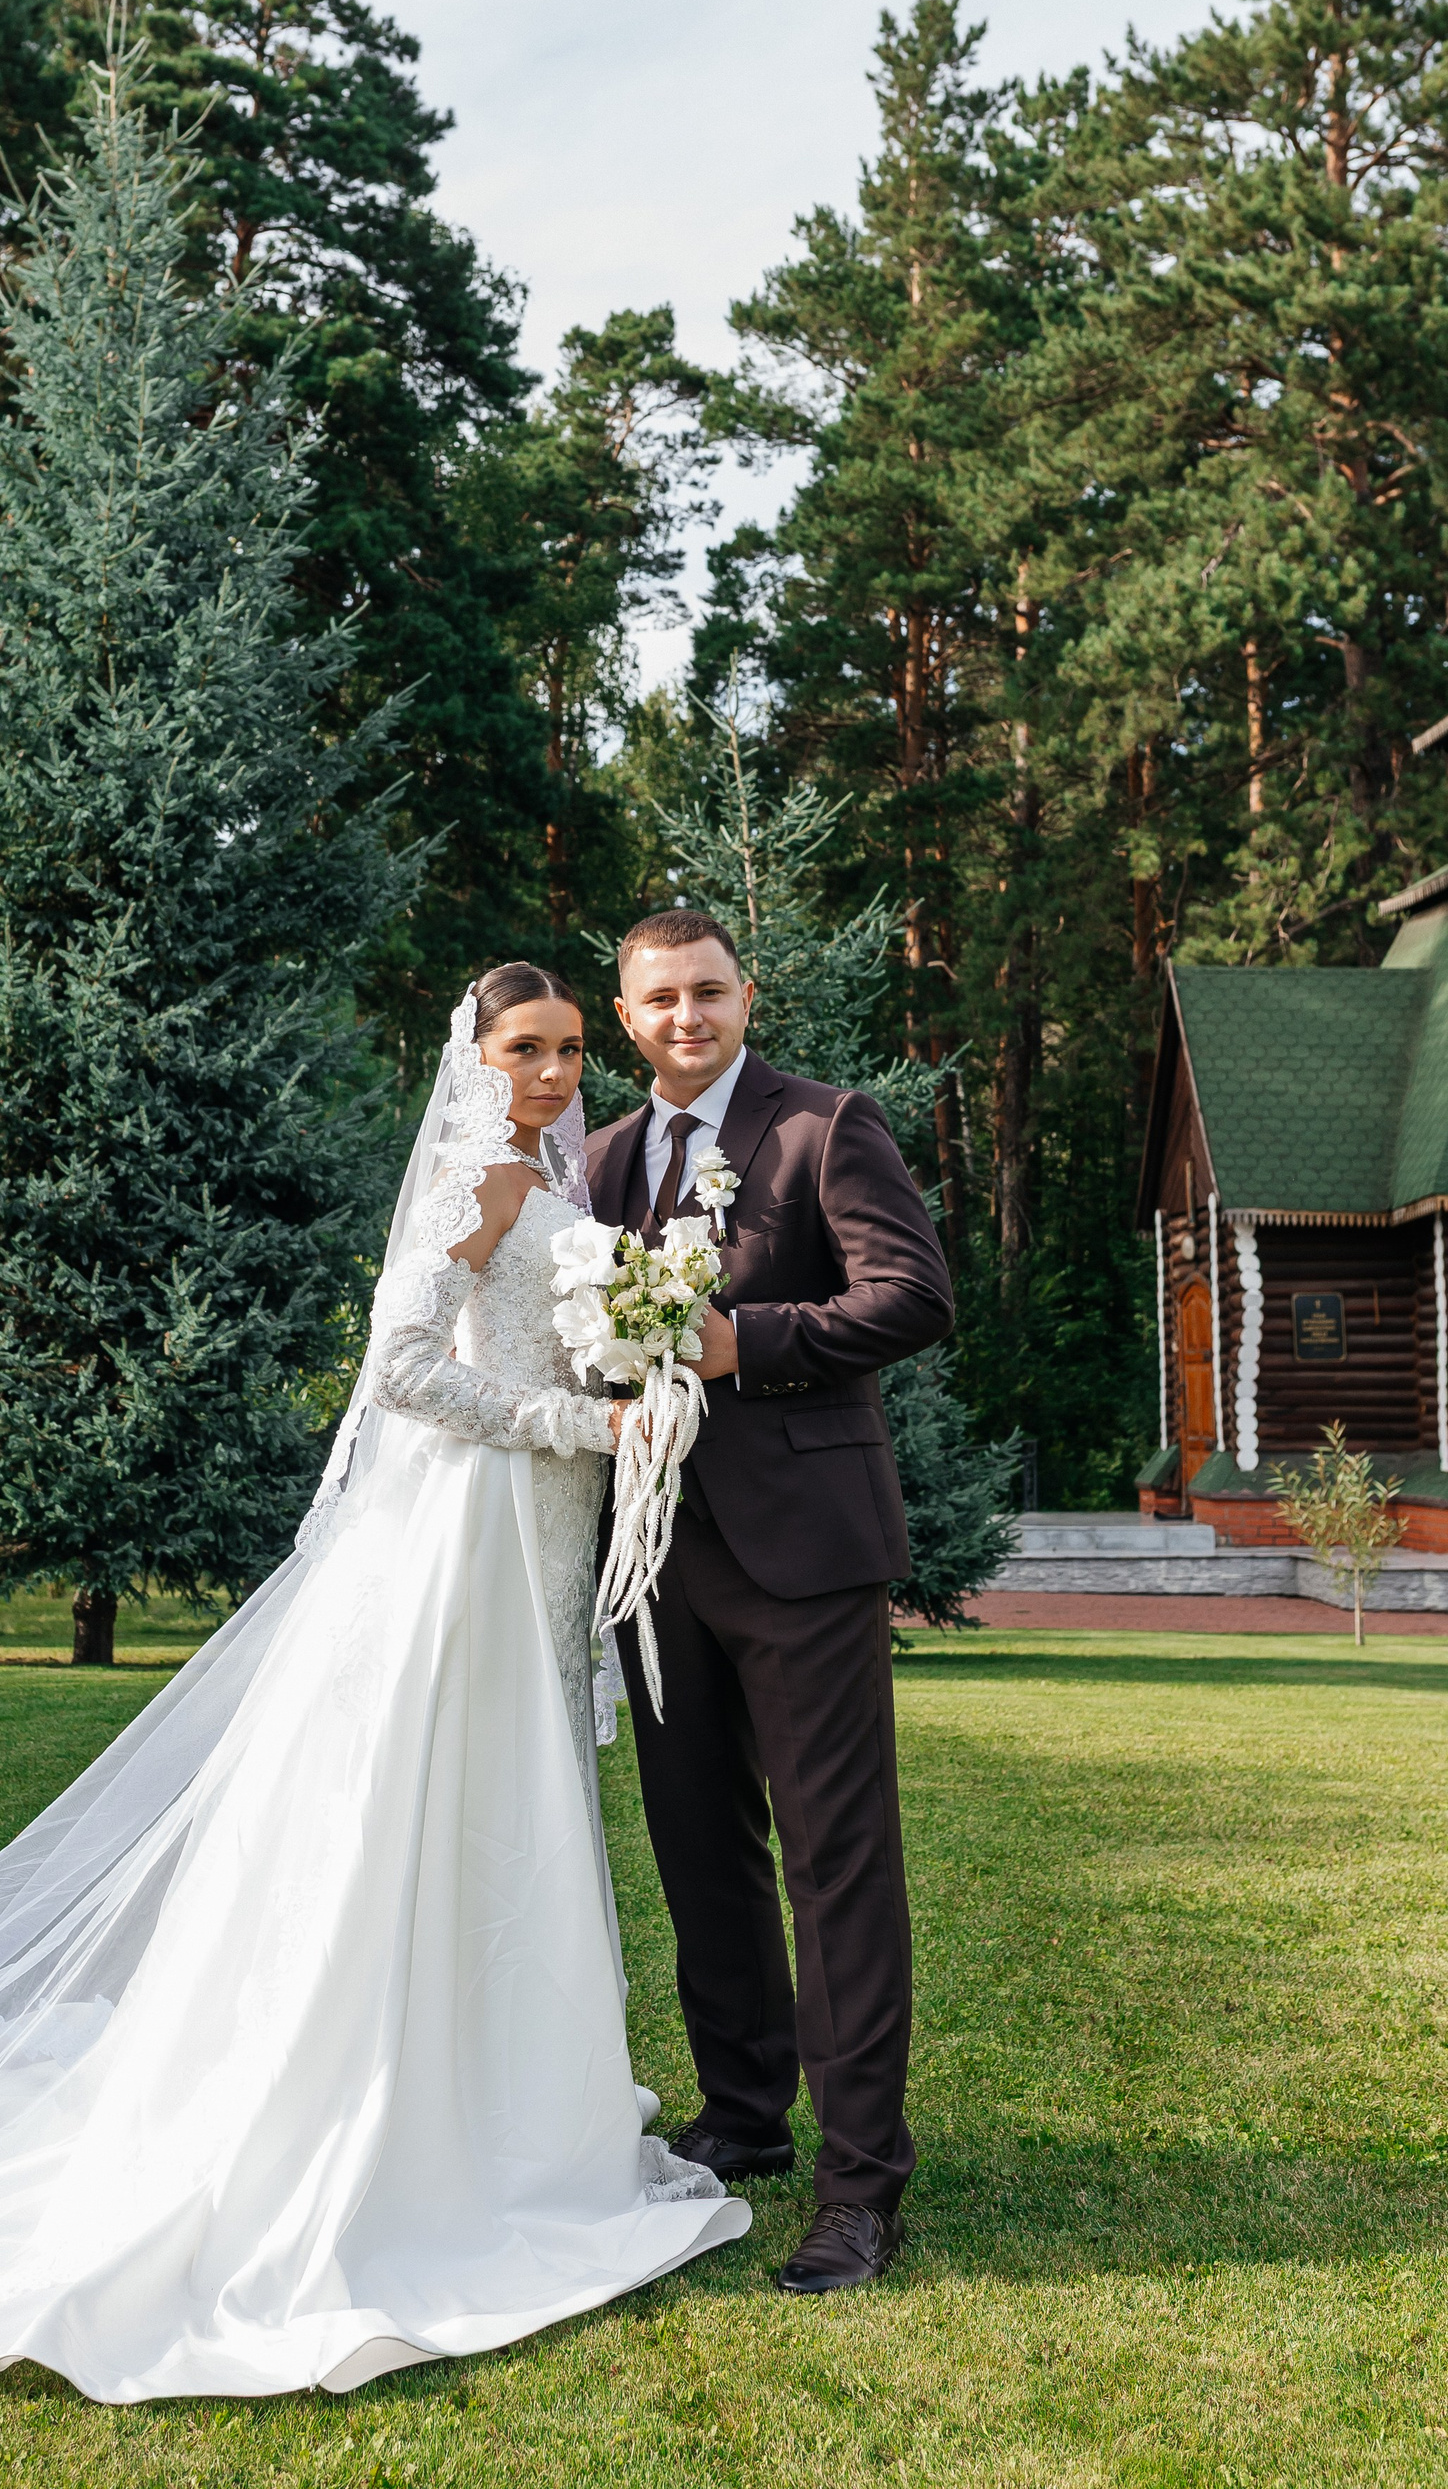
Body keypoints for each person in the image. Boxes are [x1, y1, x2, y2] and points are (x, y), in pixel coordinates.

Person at [0, 964, 747, 2399]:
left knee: (507, 1798)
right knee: (432, 1797)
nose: (551, 1073)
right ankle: (398, 2118)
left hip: (534, 1529)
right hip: (461, 1537)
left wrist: (629, 1379)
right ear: (474, 1060)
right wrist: (579, 1422)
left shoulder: (552, 1178)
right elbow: (404, 1370)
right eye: (523, 1048)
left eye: (568, 1049)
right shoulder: (479, 1179)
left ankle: (502, 2096)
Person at [585, 909, 954, 2296]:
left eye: (709, 992)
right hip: (653, 1551)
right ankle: (743, 2116)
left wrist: (749, 1341)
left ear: (747, 998)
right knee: (700, 1849)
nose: (686, 1017)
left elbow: (913, 1297)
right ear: (628, 1018)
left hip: (804, 1549)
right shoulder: (599, 1160)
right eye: (660, 999)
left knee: (835, 1862)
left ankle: (861, 2188)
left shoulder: (823, 1127)